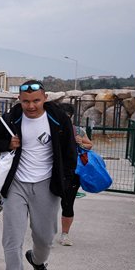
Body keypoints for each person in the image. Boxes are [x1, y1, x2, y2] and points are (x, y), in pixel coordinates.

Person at [0, 81, 78, 270]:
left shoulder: (58, 119)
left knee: (45, 237)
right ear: (19, 100)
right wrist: (8, 143)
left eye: (36, 100)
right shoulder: (10, 119)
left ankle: (37, 261)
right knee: (12, 237)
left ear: (45, 97)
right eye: (26, 101)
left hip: (46, 185)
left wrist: (64, 181)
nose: (31, 106)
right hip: (16, 184)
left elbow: (69, 153)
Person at [57, 103, 94, 246]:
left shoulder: (78, 131)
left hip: (73, 172)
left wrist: (81, 143)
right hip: (53, 170)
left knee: (68, 203)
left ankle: (65, 234)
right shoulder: (50, 129)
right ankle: (45, 231)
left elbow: (90, 145)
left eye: (67, 118)